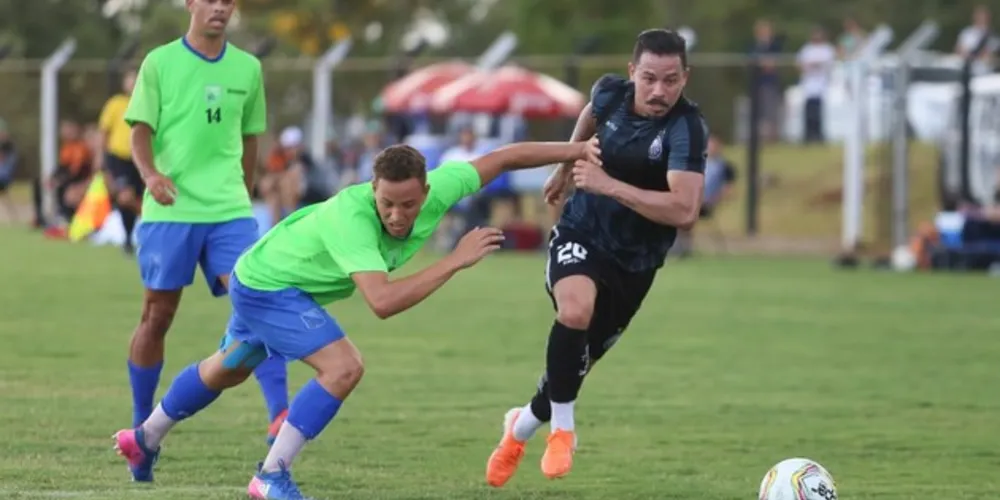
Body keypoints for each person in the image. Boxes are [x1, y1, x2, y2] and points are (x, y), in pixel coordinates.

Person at [112, 139, 599, 499]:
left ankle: (144, 438)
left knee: (230, 366)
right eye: (386, 202)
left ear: (427, 191)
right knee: (344, 367)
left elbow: (505, 157)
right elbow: (381, 303)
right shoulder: (354, 219)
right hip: (268, 285)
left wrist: (575, 150)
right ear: (372, 188)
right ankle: (271, 474)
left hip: (269, 274)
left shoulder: (441, 188)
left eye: (408, 204)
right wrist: (453, 259)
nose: (396, 214)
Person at [485, 28, 708, 486]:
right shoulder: (609, 94)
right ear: (632, 73)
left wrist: (608, 185)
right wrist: (566, 167)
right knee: (575, 309)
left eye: (670, 80)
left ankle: (522, 426)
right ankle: (563, 431)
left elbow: (684, 209)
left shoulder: (686, 127)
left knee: (572, 365)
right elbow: (589, 117)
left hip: (637, 262)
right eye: (649, 78)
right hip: (581, 231)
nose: (659, 91)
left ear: (685, 78)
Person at [120, 0, 288, 482]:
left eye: (228, 1)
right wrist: (150, 174)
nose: (220, 7)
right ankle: (141, 430)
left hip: (229, 211)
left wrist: (245, 190)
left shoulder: (248, 68)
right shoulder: (159, 62)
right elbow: (140, 133)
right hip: (170, 209)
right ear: (191, 4)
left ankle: (278, 415)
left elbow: (251, 137)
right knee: (157, 317)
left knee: (259, 300)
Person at [96, 67, 143, 254]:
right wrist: (101, 158)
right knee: (125, 197)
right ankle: (132, 233)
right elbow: (104, 132)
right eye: (130, 80)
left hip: (141, 158)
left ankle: (132, 238)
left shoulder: (148, 103)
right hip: (119, 158)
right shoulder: (116, 104)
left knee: (139, 197)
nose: (132, 84)